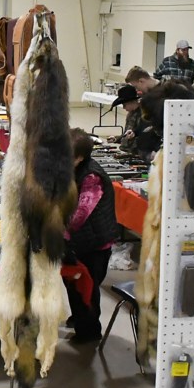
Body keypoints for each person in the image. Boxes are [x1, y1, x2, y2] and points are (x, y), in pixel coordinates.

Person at [65, 127, 117, 344]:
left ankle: (89, 331)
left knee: (87, 286)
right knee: (74, 282)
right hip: (79, 240)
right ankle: (79, 317)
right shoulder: (75, 169)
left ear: (79, 157)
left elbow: (81, 213)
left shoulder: (92, 177)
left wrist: (61, 230)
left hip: (94, 243)